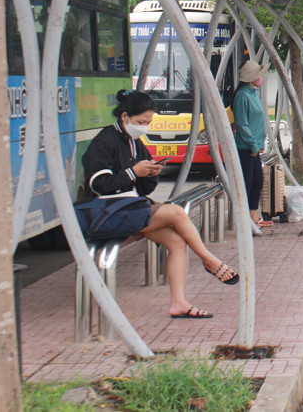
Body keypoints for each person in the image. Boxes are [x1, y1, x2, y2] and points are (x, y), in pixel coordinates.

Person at [81, 89, 238, 319]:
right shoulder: (105, 142)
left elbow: (144, 188)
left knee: (176, 242)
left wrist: (151, 173)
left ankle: (179, 303)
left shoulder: (135, 142)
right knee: (176, 213)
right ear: (125, 117)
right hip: (111, 210)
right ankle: (208, 259)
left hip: (133, 206)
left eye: (148, 122)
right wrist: (133, 172)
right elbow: (98, 184)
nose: (144, 127)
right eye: (141, 122)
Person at [233, 59, 270, 228]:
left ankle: (252, 216)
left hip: (254, 147)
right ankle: (243, 220)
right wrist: (253, 145)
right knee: (247, 183)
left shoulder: (253, 94)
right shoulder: (242, 96)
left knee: (257, 181)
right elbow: (242, 124)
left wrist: (259, 143)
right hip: (246, 148)